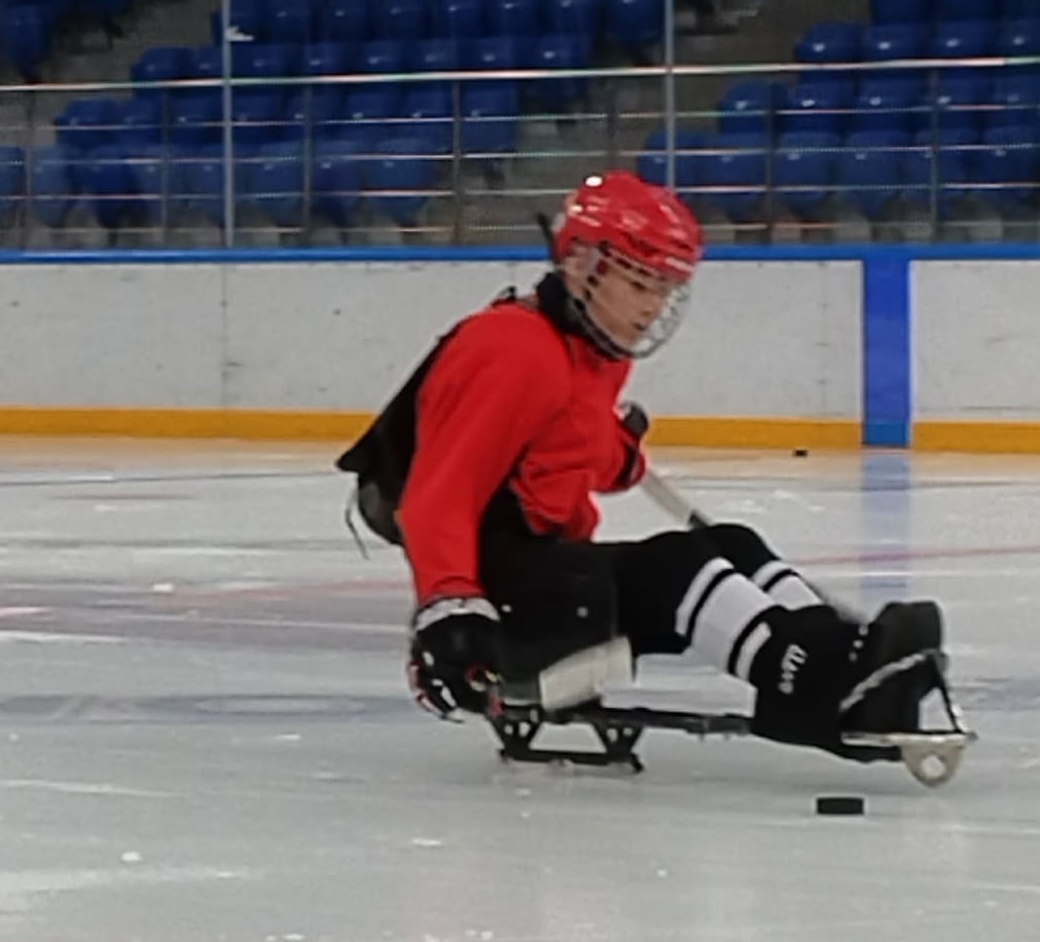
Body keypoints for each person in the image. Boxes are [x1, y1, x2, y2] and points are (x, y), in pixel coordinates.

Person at [336, 170, 946, 756]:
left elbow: (572, 457)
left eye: (664, 289)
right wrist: (450, 612)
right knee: (671, 569)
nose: (653, 307)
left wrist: (620, 454)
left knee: (730, 543)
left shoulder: (590, 352)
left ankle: (842, 653)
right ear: (582, 263)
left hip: (544, 571)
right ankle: (810, 684)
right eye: (640, 284)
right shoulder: (513, 348)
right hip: (500, 598)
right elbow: (437, 497)